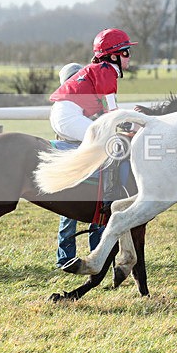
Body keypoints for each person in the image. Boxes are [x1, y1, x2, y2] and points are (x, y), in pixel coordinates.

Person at [48, 28, 137, 268]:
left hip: (64, 114)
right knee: (108, 146)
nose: (129, 57)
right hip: (68, 116)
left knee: (106, 143)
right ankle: (108, 199)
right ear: (114, 55)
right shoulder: (107, 71)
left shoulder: (100, 69)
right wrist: (133, 126)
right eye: (126, 52)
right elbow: (113, 113)